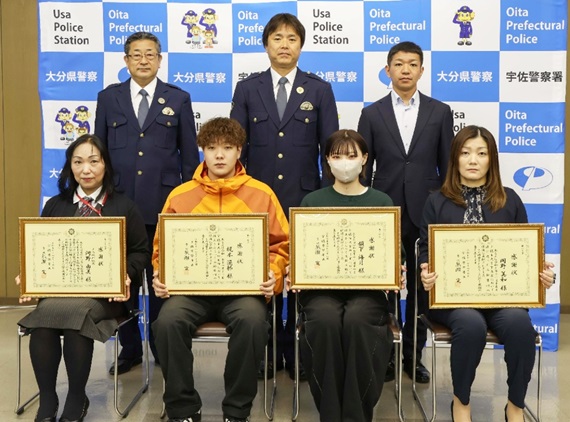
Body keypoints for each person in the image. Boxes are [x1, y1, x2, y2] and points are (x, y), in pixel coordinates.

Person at [151, 117, 289, 422]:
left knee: (253, 322)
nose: (219, 155)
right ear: (202, 150)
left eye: (227, 147)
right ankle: (183, 408)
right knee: (167, 322)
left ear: (239, 150)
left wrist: (273, 275)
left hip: (243, 293)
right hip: (191, 294)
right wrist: (160, 275)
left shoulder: (262, 194)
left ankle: (237, 410)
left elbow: (282, 245)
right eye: (212, 148)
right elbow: (162, 248)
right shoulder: (180, 195)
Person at [418, 125, 556, 422]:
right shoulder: (436, 201)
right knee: (470, 326)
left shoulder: (510, 199)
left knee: (520, 326)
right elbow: (426, 250)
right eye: (465, 153)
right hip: (452, 299)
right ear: (454, 158)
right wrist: (425, 271)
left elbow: (526, 251)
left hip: (502, 297)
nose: (473, 160)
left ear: (491, 159)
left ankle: (515, 405)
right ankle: (461, 402)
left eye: (481, 153)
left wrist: (542, 275)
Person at [230, 12, 339, 379]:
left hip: (303, 199)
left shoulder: (319, 89)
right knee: (263, 275)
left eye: (292, 39)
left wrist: (327, 201)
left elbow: (330, 151)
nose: (284, 45)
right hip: (256, 200)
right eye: (277, 38)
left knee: (299, 277)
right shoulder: (248, 89)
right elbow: (237, 148)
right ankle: (268, 350)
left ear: (301, 46)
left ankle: (297, 353)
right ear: (266, 45)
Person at [17, 134, 150, 422]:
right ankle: (48, 399)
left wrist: (125, 274)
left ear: (105, 165)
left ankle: (77, 397)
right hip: (60, 292)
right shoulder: (55, 205)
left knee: (77, 316)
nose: (86, 169)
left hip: (106, 295)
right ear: (70, 166)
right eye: (78, 162)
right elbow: (41, 248)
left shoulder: (124, 206)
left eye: (93, 161)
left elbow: (141, 252)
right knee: (42, 322)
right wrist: (29, 275)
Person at [94, 31, 200, 374]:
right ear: (126, 60)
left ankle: (159, 344)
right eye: (136, 54)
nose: (143, 60)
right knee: (120, 278)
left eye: (150, 54)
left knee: (158, 281)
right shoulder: (108, 98)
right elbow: (98, 153)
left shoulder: (178, 98)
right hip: (119, 203)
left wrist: (187, 204)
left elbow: (189, 156)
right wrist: (101, 199)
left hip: (162, 203)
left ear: (159, 59)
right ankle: (129, 348)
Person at [357, 40, 454, 383]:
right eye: (399, 64)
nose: (405, 70)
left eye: (413, 64)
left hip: (425, 211)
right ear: (388, 70)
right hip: (384, 210)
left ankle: (414, 356)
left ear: (422, 70)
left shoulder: (440, 112)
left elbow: (447, 166)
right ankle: (384, 355)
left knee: (420, 288)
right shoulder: (372, 113)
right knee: (384, 287)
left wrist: (444, 210)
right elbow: (364, 168)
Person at [290, 129, 403, 422]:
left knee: (357, 320)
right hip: (320, 292)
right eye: (337, 156)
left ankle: (356, 415)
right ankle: (330, 414)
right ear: (327, 160)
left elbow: (396, 254)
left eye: (352, 155)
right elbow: (300, 251)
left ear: (364, 159)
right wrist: (295, 269)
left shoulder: (381, 201)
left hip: (368, 292)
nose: (345, 162)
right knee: (325, 320)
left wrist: (398, 269)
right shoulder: (312, 201)